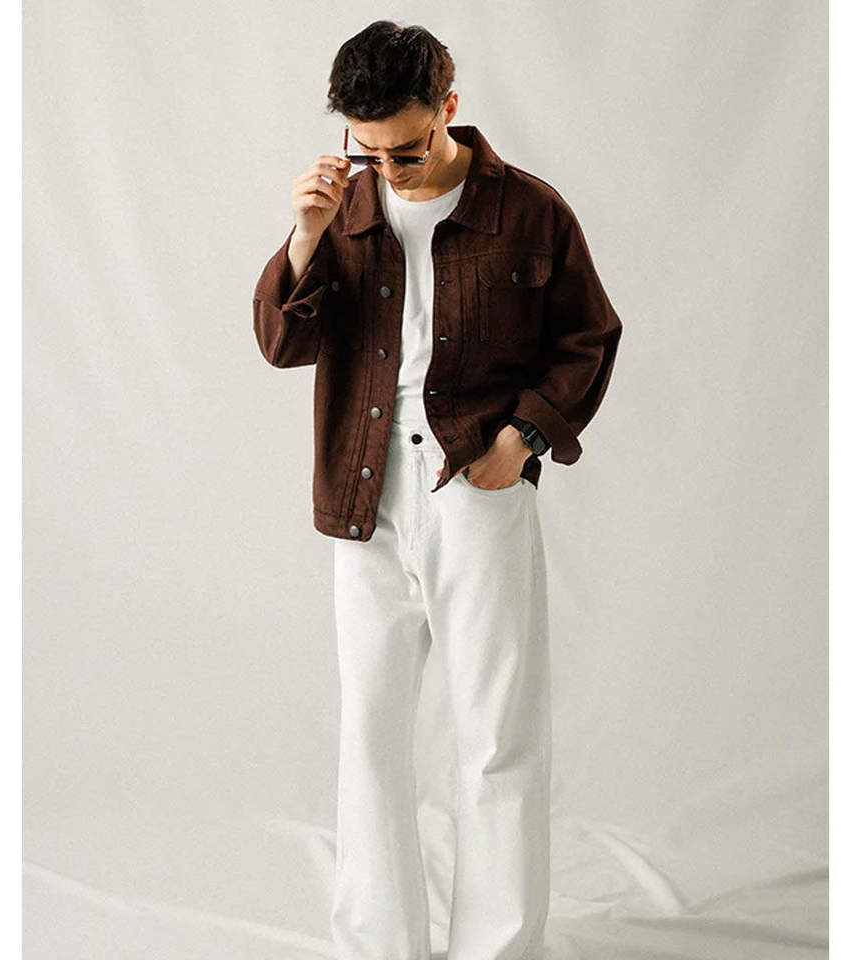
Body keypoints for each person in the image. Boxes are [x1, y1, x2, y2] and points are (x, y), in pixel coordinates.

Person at [252, 20, 623, 960]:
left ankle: (497, 948)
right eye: (365, 149)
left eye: (406, 149)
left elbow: (589, 337)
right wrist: (303, 237)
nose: (387, 169)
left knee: (497, 734)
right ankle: (380, 946)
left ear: (448, 107)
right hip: (364, 495)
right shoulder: (344, 209)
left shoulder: (528, 211)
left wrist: (521, 438)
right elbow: (283, 344)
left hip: (476, 487)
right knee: (371, 735)